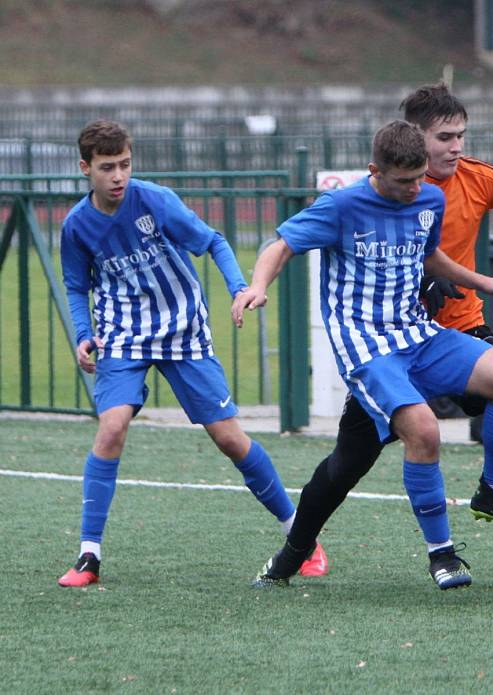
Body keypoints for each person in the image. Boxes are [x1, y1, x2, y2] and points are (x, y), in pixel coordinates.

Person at [245, 84, 493, 589]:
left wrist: (492, 275)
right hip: (376, 348)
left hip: (437, 334)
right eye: (445, 137)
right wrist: (258, 287)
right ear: (403, 149)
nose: (454, 148)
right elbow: (282, 244)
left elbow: (436, 249)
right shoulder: (350, 203)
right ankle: (299, 551)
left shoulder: (444, 190)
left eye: (461, 135)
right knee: (352, 462)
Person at [57, 120, 326, 587]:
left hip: (184, 329)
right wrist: (83, 334)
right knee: (112, 427)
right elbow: (77, 286)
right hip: (123, 335)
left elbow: (214, 242)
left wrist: (239, 287)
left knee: (228, 439)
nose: (118, 176)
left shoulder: (154, 200)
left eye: (124, 164)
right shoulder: (77, 225)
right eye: (107, 168)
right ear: (86, 169)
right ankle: (88, 555)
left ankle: (300, 539)